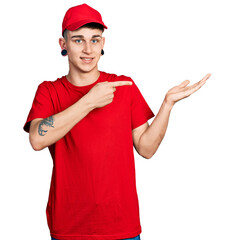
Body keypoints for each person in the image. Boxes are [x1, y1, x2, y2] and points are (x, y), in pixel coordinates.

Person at [23, 3, 211, 240]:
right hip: (69, 227)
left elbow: (146, 148)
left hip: (121, 225)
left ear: (103, 44)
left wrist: (167, 105)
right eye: (78, 40)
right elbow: (37, 139)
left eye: (95, 39)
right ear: (64, 45)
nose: (88, 49)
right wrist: (89, 101)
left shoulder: (124, 87)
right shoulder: (49, 91)